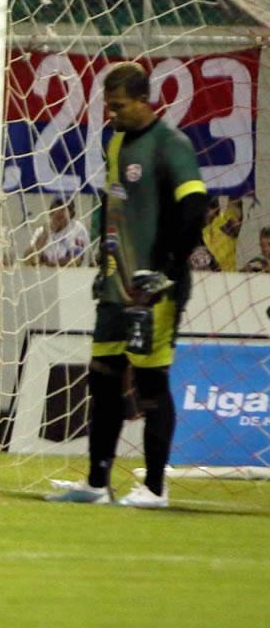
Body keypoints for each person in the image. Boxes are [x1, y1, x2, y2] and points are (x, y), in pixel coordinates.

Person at [47, 62, 207, 509]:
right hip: (117, 289)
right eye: (107, 106)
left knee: (151, 384)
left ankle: (155, 487)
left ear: (143, 101)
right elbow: (118, 212)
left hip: (156, 288)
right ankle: (98, 484)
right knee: (102, 381)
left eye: (118, 106)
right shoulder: (116, 143)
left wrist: (168, 270)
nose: (111, 114)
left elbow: (195, 207)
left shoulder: (170, 145)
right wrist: (107, 266)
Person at [24, 196, 90, 267]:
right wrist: (44, 236)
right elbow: (27, 260)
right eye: (56, 208)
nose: (59, 212)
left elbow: (77, 260)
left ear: (71, 213)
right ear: (51, 212)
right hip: (45, 275)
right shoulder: (42, 230)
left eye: (63, 209)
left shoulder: (77, 229)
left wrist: (52, 264)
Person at [196, 196, 243, 271]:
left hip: (228, 279)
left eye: (211, 207)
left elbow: (236, 202)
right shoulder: (189, 233)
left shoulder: (223, 224)